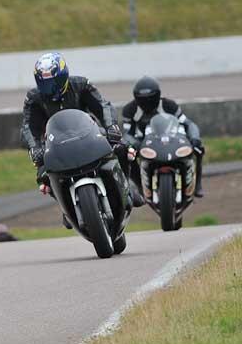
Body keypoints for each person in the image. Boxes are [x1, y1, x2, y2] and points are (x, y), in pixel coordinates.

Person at [20, 52, 144, 225]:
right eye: (43, 83)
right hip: (55, 143)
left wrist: (111, 126)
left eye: (52, 82)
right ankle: (66, 207)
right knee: (43, 174)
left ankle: (129, 187)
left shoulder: (81, 85)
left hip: (89, 133)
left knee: (122, 148)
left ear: (63, 77)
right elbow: (28, 126)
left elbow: (103, 105)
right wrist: (34, 148)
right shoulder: (33, 98)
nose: (48, 88)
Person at [122, 76, 205, 197]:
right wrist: (135, 146)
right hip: (143, 143)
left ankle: (197, 184)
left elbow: (188, 124)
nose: (147, 102)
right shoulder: (129, 110)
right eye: (143, 99)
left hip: (172, 139)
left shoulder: (169, 105)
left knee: (199, 149)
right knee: (128, 154)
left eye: (150, 98)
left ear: (157, 95)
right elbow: (127, 134)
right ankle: (141, 187)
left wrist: (195, 139)